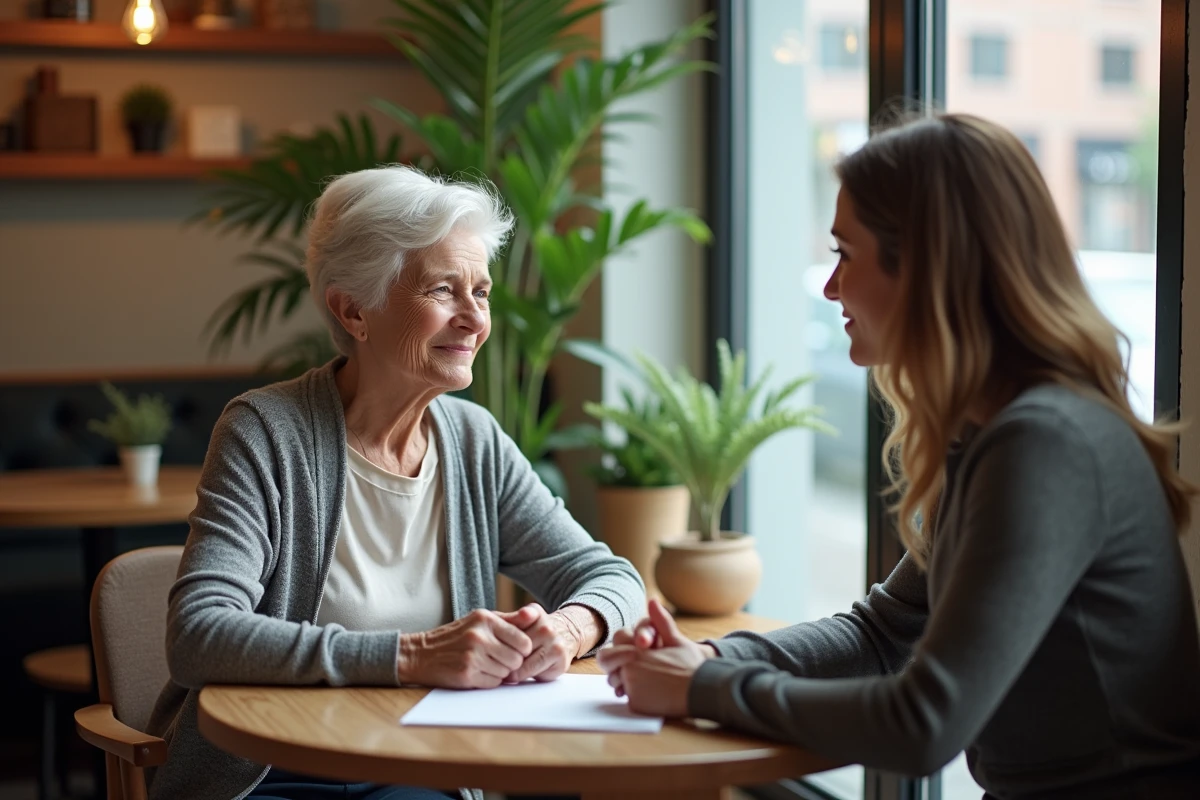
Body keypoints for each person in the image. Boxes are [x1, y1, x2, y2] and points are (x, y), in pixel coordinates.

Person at [598, 113, 1200, 799]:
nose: (830, 288)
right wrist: (706, 656)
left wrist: (705, 686)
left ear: (925, 270)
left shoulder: (1045, 443)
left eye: (844, 254)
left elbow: (924, 724)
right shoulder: (992, 430)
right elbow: (885, 634)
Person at [146, 165, 645, 800]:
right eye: (443, 290)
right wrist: (413, 656)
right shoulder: (266, 431)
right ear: (354, 310)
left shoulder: (474, 441)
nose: (474, 320)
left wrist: (572, 628)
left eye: (482, 292)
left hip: (418, 769)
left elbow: (612, 578)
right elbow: (199, 635)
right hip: (270, 772)